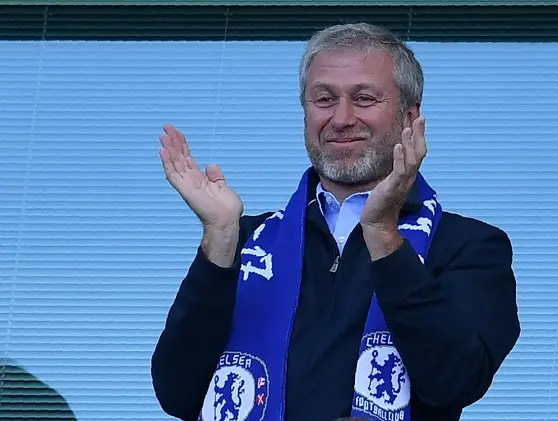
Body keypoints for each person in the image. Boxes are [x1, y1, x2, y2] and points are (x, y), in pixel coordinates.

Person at [151, 23, 520, 421]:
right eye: (324, 99)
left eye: (364, 98)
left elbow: (455, 380)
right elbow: (179, 393)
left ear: (409, 117)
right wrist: (220, 238)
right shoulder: (245, 241)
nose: (341, 118)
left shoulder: (468, 245)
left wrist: (383, 237)